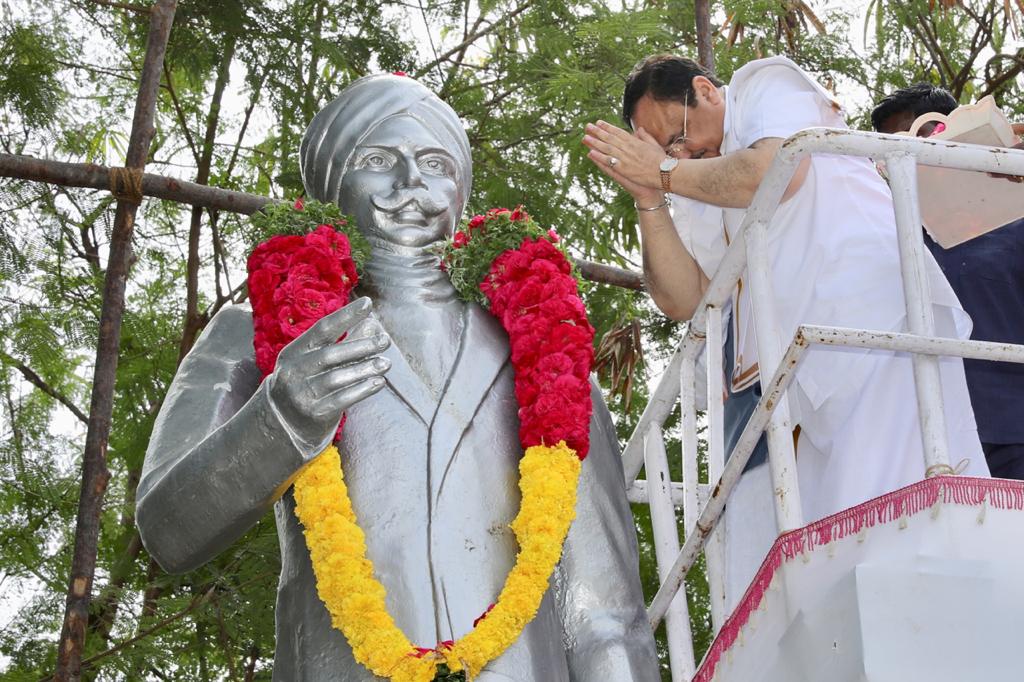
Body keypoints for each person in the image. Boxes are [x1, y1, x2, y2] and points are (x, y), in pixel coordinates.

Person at [136, 74, 659, 681]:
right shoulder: (260, 332)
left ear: (461, 186)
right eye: (379, 160)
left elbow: (604, 612)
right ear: (333, 181)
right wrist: (282, 415)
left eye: (434, 162)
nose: (412, 185)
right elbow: (167, 528)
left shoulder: (546, 353)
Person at [582, 55, 990, 609]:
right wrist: (649, 196)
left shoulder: (761, 84)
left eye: (674, 137)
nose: (675, 154)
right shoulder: (694, 182)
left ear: (706, 90)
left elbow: (775, 171)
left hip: (874, 320)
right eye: (660, 150)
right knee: (841, 543)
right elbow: (684, 298)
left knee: (901, 516)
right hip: (801, 376)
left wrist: (662, 171)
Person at [872, 84, 1024, 480]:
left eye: (921, 136)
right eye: (893, 146)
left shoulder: (1016, 216)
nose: (909, 154)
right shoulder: (886, 236)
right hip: (928, 444)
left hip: (1013, 429)